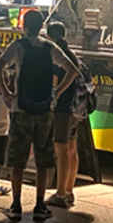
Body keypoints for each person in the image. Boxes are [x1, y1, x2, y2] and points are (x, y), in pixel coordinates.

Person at [0, 9, 78, 221]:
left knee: (18, 159)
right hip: (44, 109)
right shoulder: (50, 47)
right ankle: (40, 204)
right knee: (43, 158)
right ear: (41, 27)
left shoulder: (18, 47)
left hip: (21, 108)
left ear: (23, 26)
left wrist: (7, 93)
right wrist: (56, 93)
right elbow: (72, 69)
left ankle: (16, 204)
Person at [46, 21, 83, 208]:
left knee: (60, 150)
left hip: (63, 109)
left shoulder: (56, 55)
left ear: (50, 37)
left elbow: (54, 83)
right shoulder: (71, 54)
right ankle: (69, 190)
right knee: (71, 149)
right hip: (76, 108)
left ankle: (59, 193)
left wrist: (57, 93)